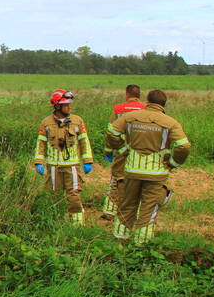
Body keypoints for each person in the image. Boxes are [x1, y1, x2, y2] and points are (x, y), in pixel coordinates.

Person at [106, 89, 190, 243]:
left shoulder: (130, 117)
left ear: (147, 101)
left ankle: (119, 241)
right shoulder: (171, 122)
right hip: (156, 174)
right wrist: (173, 163)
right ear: (164, 105)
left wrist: (124, 150)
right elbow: (183, 146)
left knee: (127, 206)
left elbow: (111, 132)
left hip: (131, 170)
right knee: (148, 208)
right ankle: (141, 244)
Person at [34, 90, 93, 225]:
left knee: (74, 196)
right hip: (53, 167)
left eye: (69, 104)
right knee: (53, 195)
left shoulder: (77, 121)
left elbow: (84, 141)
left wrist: (88, 161)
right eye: (66, 105)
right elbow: (41, 143)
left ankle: (77, 225)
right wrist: (38, 162)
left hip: (72, 166)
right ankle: (55, 223)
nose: (69, 107)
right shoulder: (46, 123)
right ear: (57, 106)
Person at [100, 84, 146, 220]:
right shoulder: (146, 109)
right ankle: (136, 212)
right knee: (139, 181)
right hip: (141, 152)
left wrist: (109, 151)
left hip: (122, 150)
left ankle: (109, 211)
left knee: (116, 179)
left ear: (127, 94)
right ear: (139, 95)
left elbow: (111, 132)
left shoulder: (118, 109)